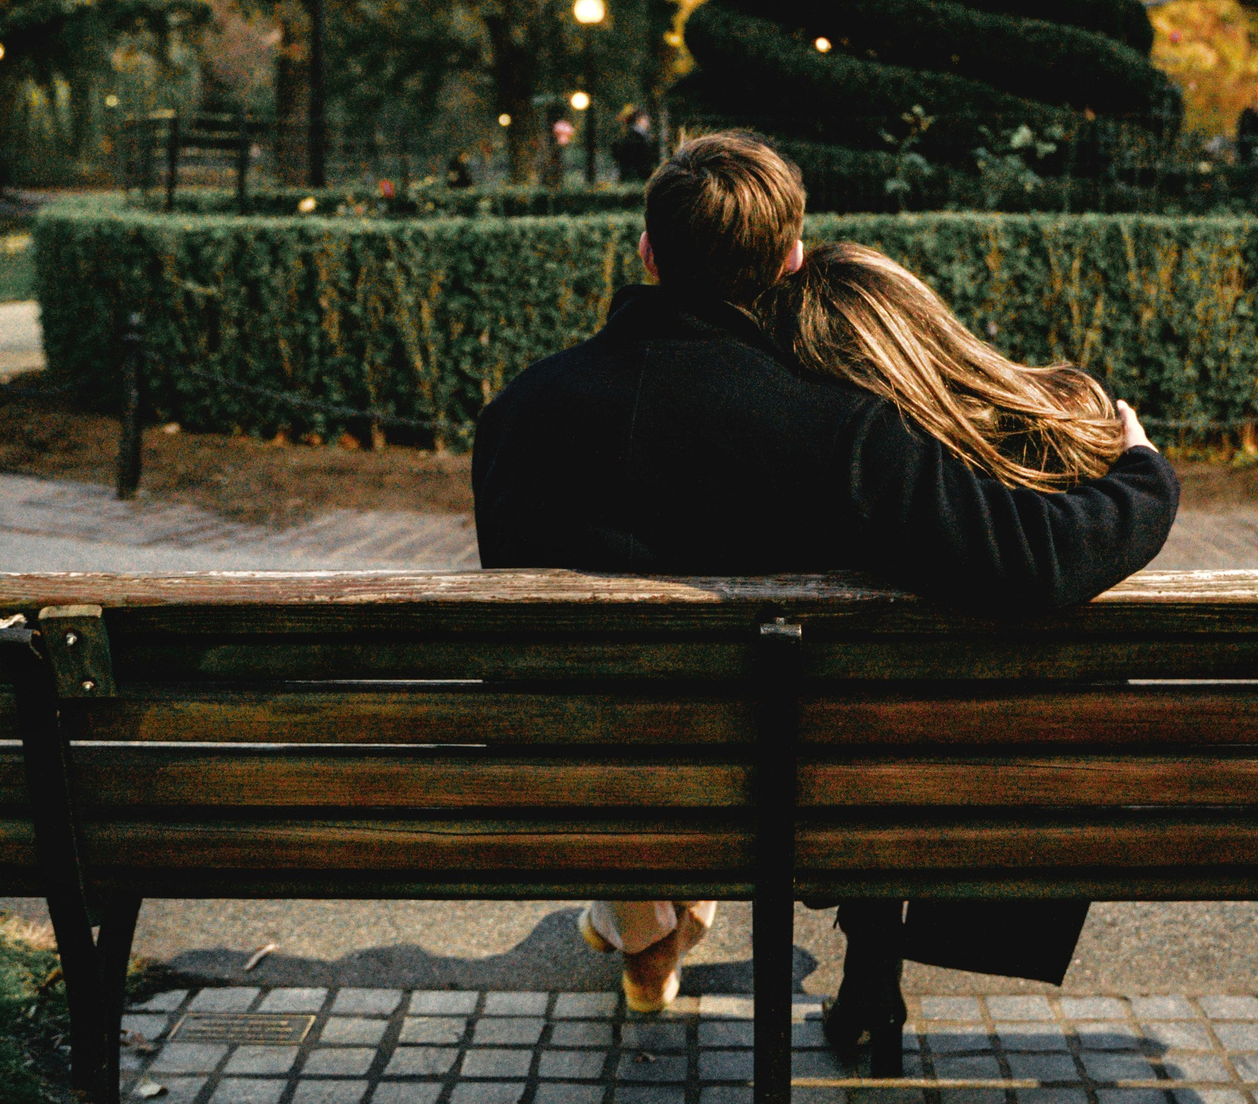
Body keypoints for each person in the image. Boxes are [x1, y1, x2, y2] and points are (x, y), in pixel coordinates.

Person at [472, 132, 1177, 1021]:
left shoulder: (516, 416)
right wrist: (1142, 472)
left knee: (609, 709)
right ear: (792, 260)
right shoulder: (839, 428)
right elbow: (1035, 559)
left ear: (647, 253)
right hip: (793, 797)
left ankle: (646, 921)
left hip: (564, 783)